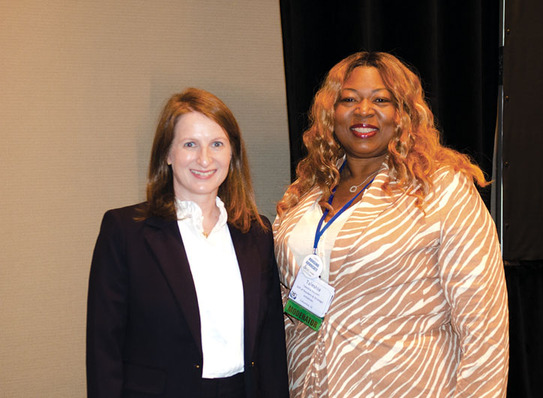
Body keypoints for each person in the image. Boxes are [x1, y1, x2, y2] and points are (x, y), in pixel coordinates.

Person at [274, 52, 509, 397]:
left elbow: (484, 325)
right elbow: (286, 297)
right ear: (331, 114)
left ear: (404, 114)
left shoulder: (441, 188)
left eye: (381, 99)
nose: (363, 110)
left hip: (406, 385)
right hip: (310, 382)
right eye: (349, 99)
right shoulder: (306, 192)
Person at [87, 88, 289, 398]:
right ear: (167, 153)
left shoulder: (256, 232)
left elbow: (270, 346)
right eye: (190, 144)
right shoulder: (125, 232)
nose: (204, 158)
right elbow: (104, 350)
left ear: (232, 153)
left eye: (217, 144)